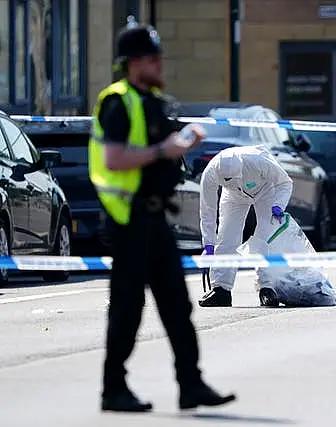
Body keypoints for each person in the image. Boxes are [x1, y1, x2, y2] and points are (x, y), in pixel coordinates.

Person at [89, 17, 235, 412]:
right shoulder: (117, 102)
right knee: (127, 307)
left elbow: (161, 148)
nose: (161, 66)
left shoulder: (151, 102)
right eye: (154, 59)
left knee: (176, 304)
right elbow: (114, 158)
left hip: (155, 219)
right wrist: (162, 151)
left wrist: (183, 141)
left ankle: (191, 385)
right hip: (128, 220)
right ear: (135, 62)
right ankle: (113, 389)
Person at [198, 145, 293, 307]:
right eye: (227, 180)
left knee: (265, 235)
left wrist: (278, 204)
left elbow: (285, 182)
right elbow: (207, 209)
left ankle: (267, 287)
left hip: (265, 189)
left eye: (234, 178)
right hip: (233, 195)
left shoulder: (258, 160)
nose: (233, 181)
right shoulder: (210, 173)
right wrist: (208, 244)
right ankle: (221, 289)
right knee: (226, 235)